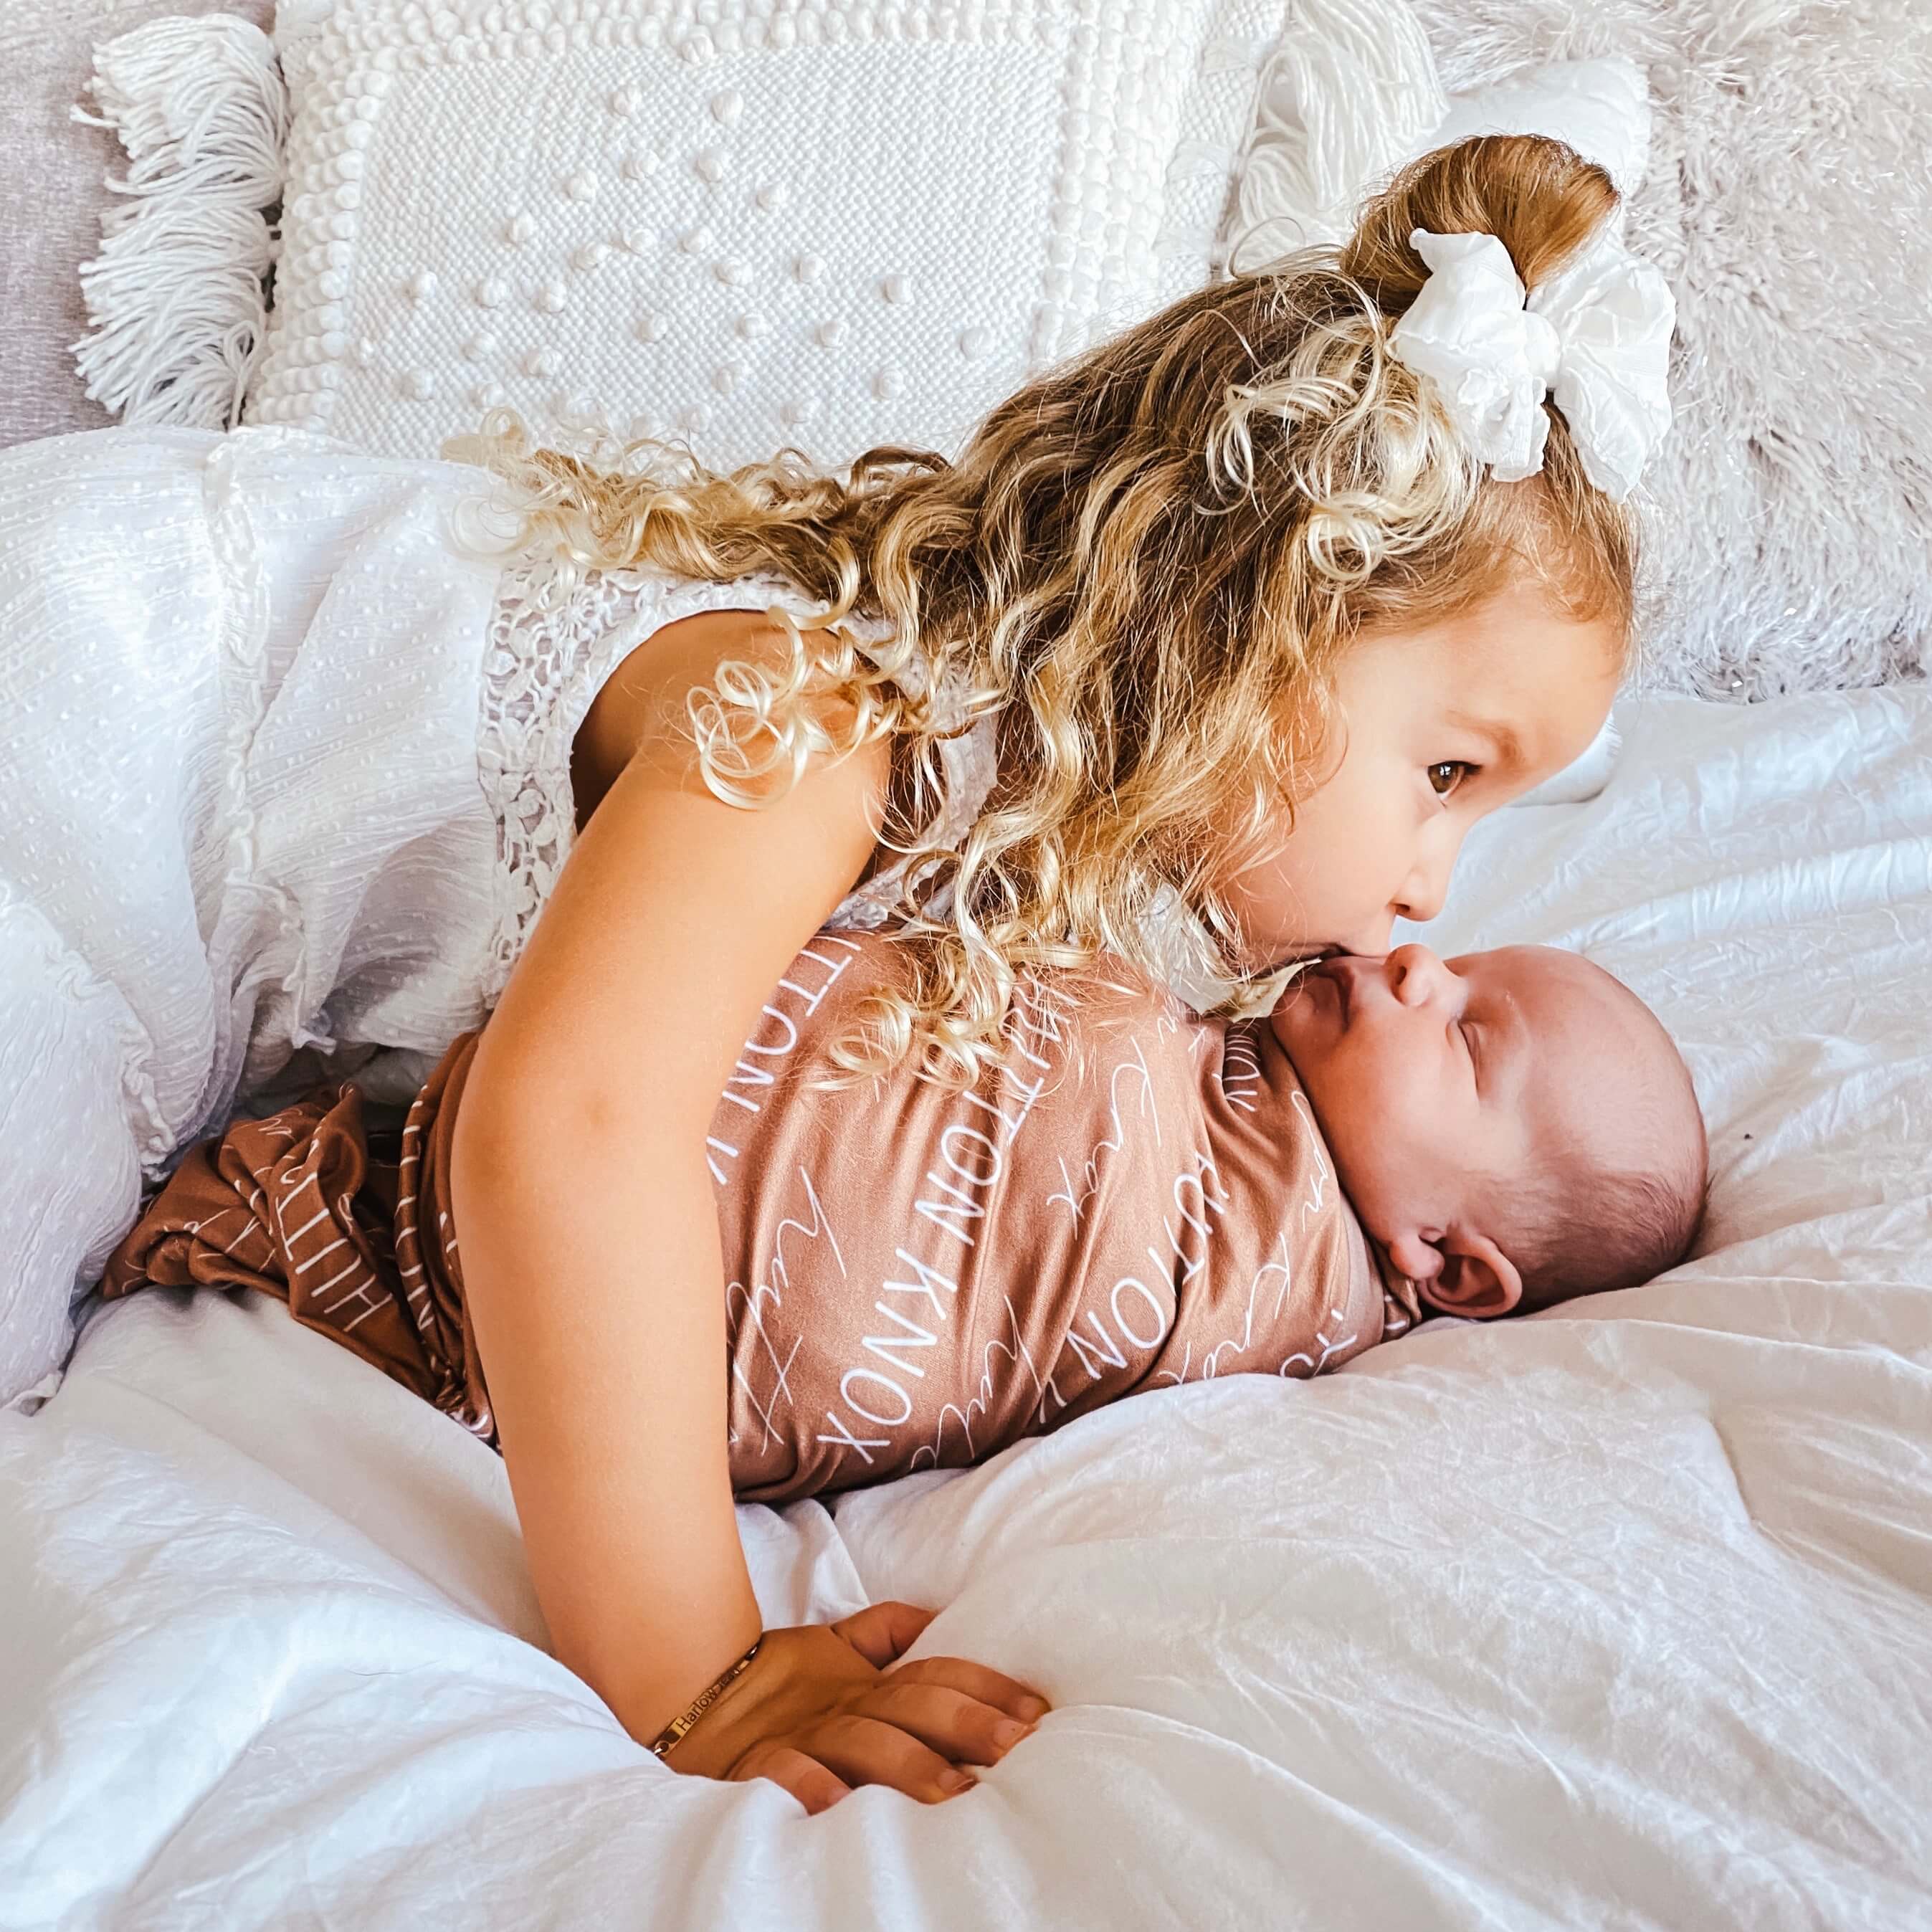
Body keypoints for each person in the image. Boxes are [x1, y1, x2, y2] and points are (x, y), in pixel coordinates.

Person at [15, 127, 1678, 1810]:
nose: (1424, 894)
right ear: (1245, 635)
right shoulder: (818, 730)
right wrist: (697, 1665)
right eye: (1446, 776)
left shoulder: (1025, 816)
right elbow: (575, 1126)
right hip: (93, 708)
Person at [103, 932, 1708, 1503]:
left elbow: (1025, 1289)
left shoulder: (1271, 1288)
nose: (1421, 962)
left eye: (1469, 1037)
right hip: (571, 1129)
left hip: (627, 1263)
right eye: (1464, 963)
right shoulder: (1232, 1064)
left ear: (1450, 1270)